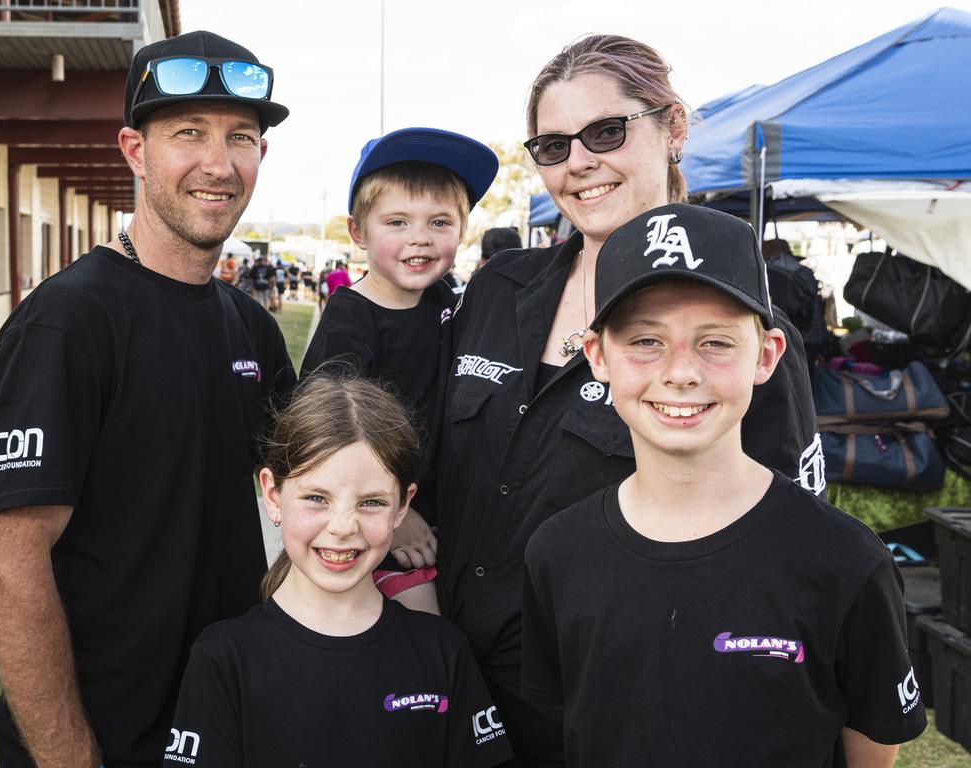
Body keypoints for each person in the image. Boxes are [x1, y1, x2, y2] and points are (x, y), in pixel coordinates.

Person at [434, 35, 822, 765]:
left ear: (672, 129)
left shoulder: (739, 331)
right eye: (552, 145)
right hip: (459, 686)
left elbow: (790, 552)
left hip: (619, 704)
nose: (579, 161)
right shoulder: (496, 289)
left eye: (607, 131)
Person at [0, 30, 296, 768]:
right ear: (134, 151)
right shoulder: (68, 324)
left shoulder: (250, 327)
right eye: (188, 133)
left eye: (239, 137)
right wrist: (72, 759)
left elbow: (302, 502)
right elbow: (6, 567)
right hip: (99, 742)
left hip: (220, 729)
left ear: (261, 156)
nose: (218, 164)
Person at [522, 203, 926, 767]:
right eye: (645, 341)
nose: (681, 372)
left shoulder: (844, 560)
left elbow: (872, 745)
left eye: (715, 341)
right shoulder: (557, 553)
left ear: (766, 356)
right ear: (597, 356)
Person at [166, 374, 512, 767]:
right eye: (317, 498)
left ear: (403, 504)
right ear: (273, 494)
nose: (343, 526)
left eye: (371, 502)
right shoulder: (224, 660)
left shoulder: (444, 653)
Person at [301, 127, 498, 614]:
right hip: (379, 526)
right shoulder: (351, 319)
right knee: (426, 647)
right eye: (396, 222)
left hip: (444, 518)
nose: (420, 239)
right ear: (358, 232)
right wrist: (391, 512)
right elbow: (329, 433)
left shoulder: (449, 303)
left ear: (463, 229)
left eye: (439, 222)